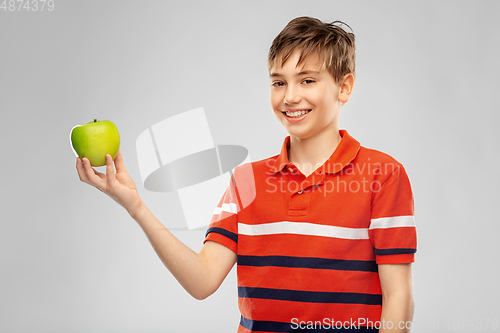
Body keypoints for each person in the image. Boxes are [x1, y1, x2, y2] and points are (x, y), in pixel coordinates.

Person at [76, 16, 416, 333]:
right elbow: (202, 280)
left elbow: (398, 299)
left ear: (344, 88)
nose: (290, 96)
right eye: (279, 82)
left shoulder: (383, 175)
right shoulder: (246, 181)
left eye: (307, 80)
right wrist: (135, 205)